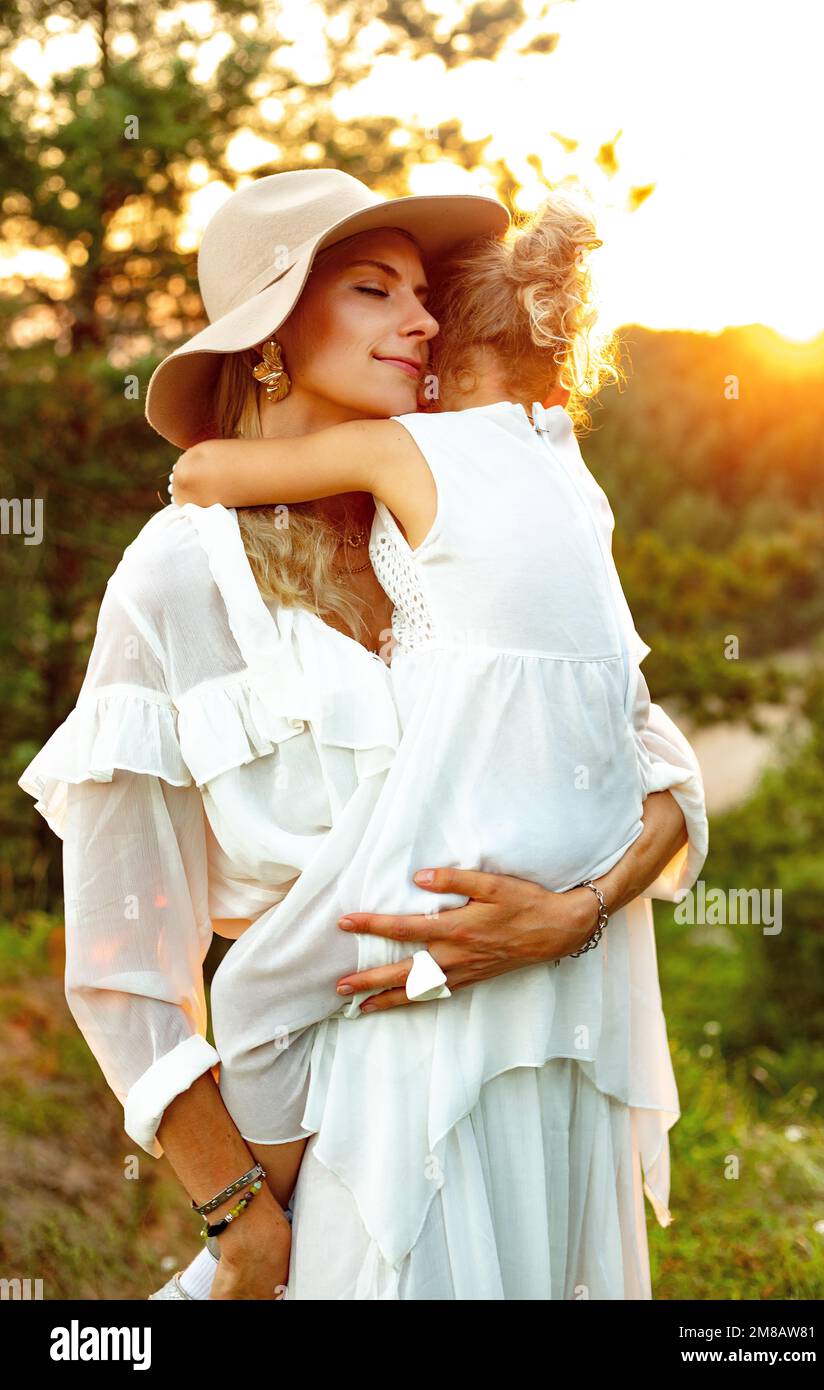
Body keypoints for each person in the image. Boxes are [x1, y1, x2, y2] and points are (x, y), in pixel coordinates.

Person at [17, 169, 705, 1301]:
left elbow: (657, 773)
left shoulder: (460, 527)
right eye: (375, 289)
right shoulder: (177, 579)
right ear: (276, 332)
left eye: (425, 295)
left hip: (541, 1079)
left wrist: (563, 917)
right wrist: (239, 1221)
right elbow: (121, 960)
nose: (423, 320)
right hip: (359, 1131)